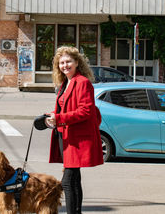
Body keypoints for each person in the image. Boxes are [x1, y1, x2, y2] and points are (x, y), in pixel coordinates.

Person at [45, 46, 104, 214]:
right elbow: (65, 108)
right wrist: (53, 114)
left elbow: (85, 111)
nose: (65, 65)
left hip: (77, 139)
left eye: (68, 61)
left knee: (67, 182)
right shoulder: (65, 82)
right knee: (74, 180)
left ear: (77, 62)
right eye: (61, 63)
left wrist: (60, 119)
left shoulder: (82, 82)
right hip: (66, 138)